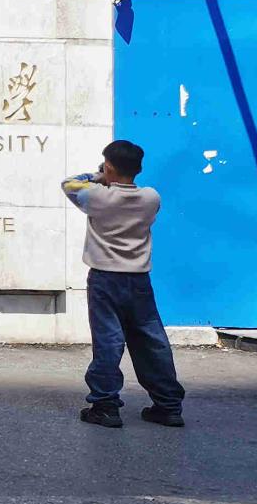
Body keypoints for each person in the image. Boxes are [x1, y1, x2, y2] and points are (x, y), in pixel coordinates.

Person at [65, 140, 183, 429]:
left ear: (108, 167)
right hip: (139, 280)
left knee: (108, 341)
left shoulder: (96, 196)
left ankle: (105, 406)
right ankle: (168, 406)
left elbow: (69, 184)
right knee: (152, 341)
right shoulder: (151, 197)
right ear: (138, 168)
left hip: (105, 279)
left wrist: (98, 176)